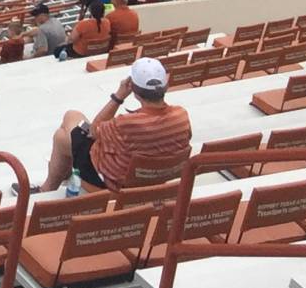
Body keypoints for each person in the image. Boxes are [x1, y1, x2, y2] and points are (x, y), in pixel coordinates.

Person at [38, 58, 192, 195]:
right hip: (156, 175)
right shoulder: (181, 115)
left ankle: (48, 187)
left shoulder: (126, 124)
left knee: (67, 124)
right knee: (67, 129)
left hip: (113, 181)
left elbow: (93, 131)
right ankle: (59, 175)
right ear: (166, 86)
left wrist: (118, 96)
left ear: (134, 90)